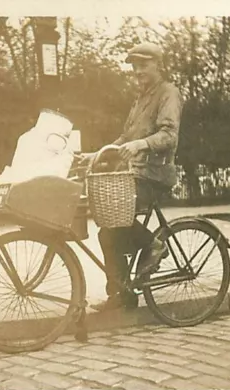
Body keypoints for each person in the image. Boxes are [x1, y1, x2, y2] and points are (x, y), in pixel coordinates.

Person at [88, 42, 183, 311]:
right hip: (135, 174)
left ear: (158, 65)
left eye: (143, 64)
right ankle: (121, 297)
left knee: (116, 217)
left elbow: (169, 135)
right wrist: (99, 153)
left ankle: (153, 244)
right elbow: (126, 139)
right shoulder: (141, 98)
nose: (137, 70)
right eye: (134, 66)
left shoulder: (169, 94)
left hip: (155, 175)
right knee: (107, 233)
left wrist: (140, 145)